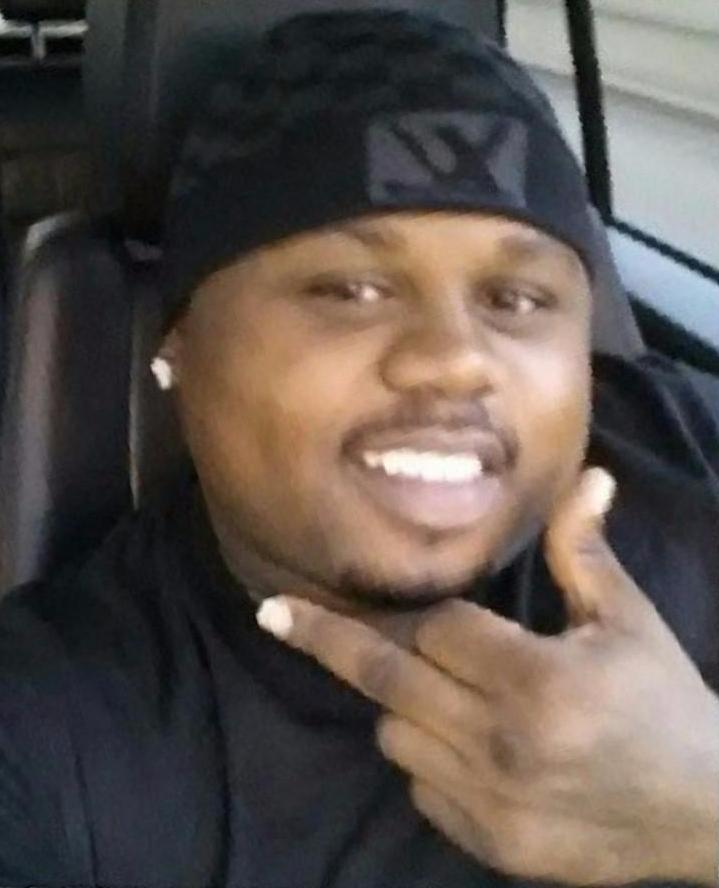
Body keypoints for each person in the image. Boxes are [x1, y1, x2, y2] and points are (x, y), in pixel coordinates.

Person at [1, 9, 719, 888]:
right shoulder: (50, 728)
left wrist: (698, 809)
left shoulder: (687, 456)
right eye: (350, 289)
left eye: (517, 299)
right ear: (177, 340)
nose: (455, 360)